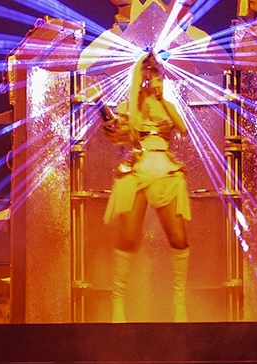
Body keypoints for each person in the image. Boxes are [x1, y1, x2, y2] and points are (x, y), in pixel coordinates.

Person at [101, 50, 191, 323]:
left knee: (179, 238)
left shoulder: (168, 102)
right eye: (148, 74)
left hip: (166, 168)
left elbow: (183, 129)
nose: (153, 79)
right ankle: (117, 305)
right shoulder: (130, 105)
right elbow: (120, 138)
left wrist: (164, 99)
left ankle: (179, 305)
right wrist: (112, 128)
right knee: (128, 238)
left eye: (157, 74)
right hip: (138, 167)